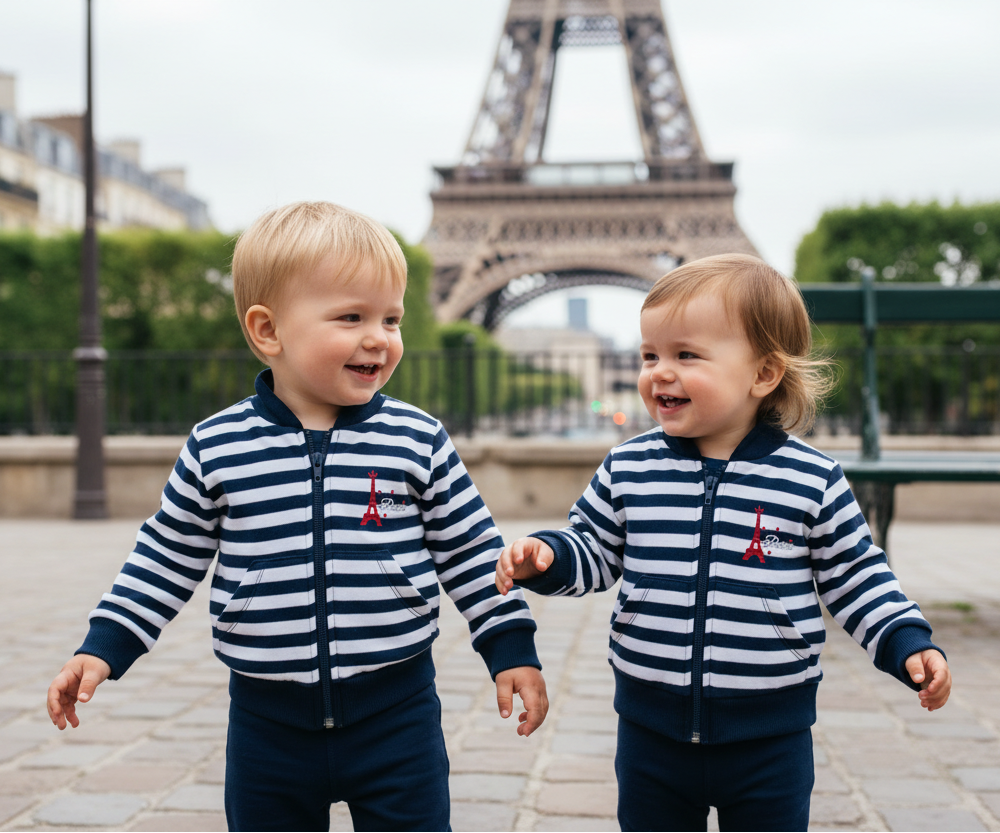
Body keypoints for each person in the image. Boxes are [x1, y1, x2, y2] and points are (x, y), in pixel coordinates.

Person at [48, 201, 548, 832]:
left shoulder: (417, 438)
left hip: (397, 713)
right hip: (266, 725)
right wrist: (105, 645)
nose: (380, 336)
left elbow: (471, 552)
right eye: (351, 317)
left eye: (391, 318)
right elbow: (166, 556)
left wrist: (510, 646)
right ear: (268, 331)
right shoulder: (217, 445)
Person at [495, 253, 950, 832]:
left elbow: (856, 577)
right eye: (650, 355)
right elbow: (595, 549)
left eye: (686, 355)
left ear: (763, 374)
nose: (660, 371)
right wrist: (548, 556)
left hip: (771, 737)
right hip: (651, 730)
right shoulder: (629, 466)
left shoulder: (811, 478)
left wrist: (906, 640)